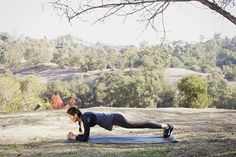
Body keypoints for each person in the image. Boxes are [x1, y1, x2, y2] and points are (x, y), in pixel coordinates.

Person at [66, 106, 174, 141]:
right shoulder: (84, 118)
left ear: (75, 115)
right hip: (115, 118)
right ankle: (165, 126)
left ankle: (166, 126)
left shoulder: (86, 118)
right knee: (139, 124)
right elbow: (85, 135)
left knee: (139, 124)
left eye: (70, 116)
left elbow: (85, 138)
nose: (69, 119)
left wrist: (74, 137)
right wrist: (76, 136)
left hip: (116, 118)